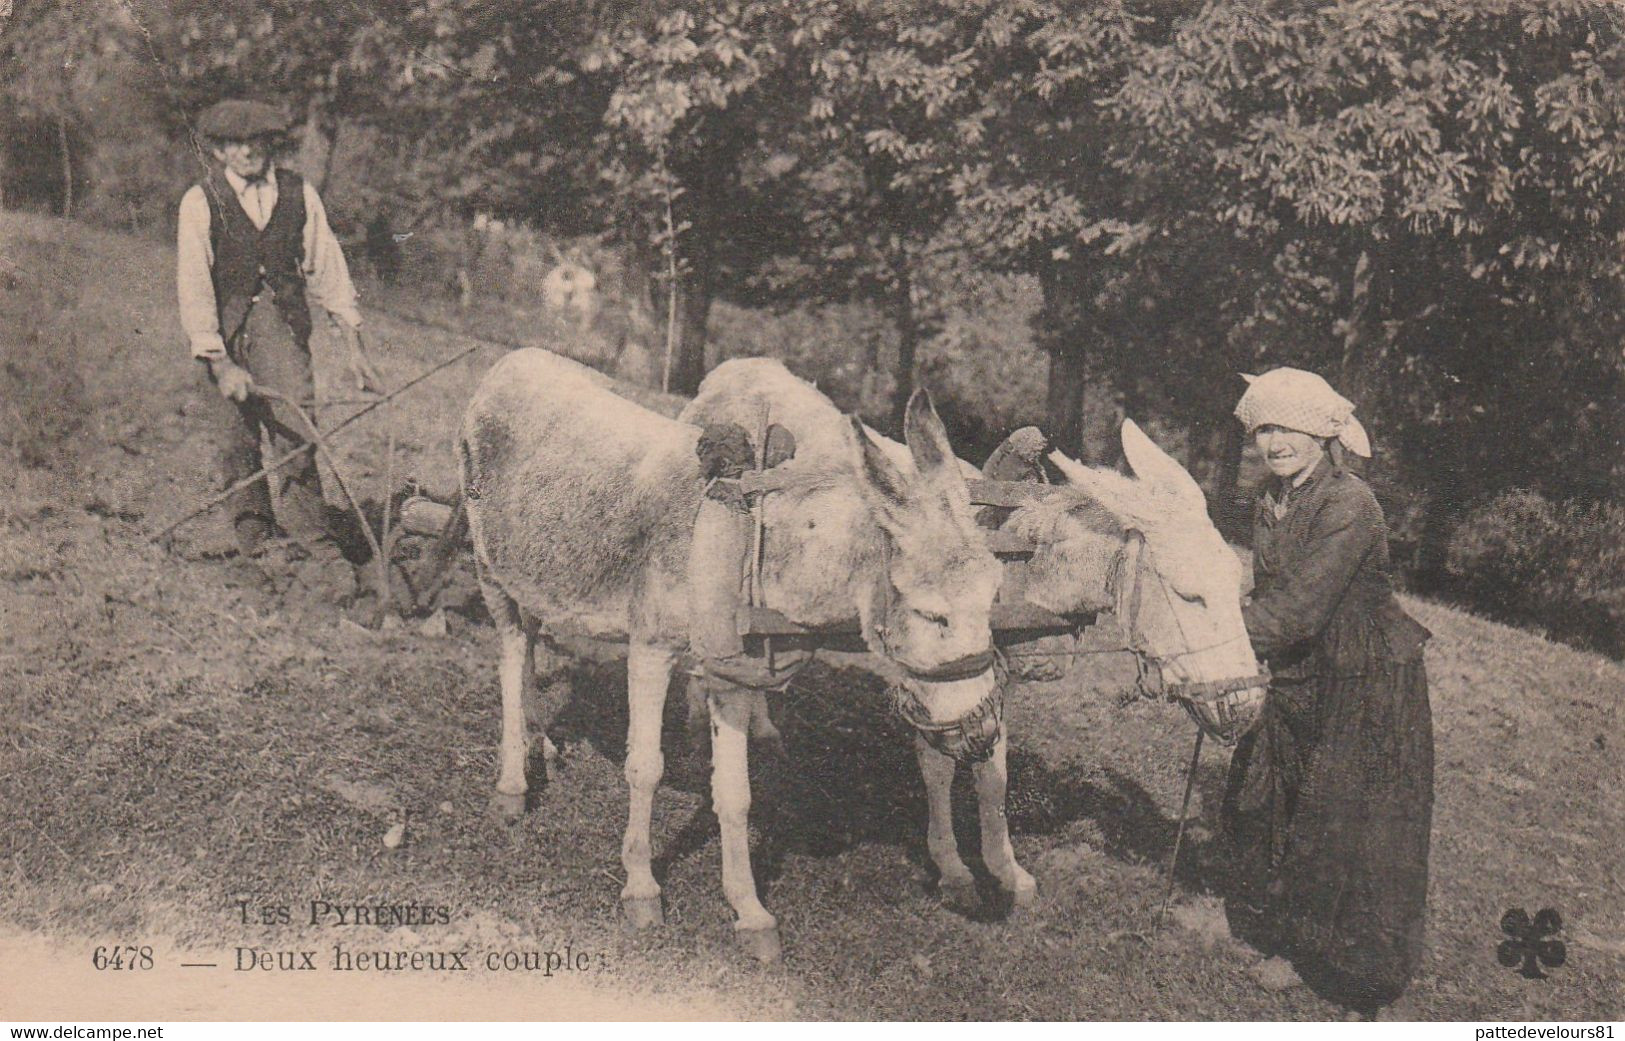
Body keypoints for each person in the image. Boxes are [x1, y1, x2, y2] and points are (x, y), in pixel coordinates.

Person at [1221, 367, 1434, 1019]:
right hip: (1297, 669)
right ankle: (1286, 939)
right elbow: (1271, 596)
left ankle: (1355, 976)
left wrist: (1209, 641)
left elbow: (1298, 611)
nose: (1274, 440)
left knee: (1346, 822)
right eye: (1264, 429)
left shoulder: (1349, 503)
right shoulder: (1269, 497)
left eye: (1287, 427)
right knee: (1270, 796)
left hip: (1362, 676)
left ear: (1320, 433)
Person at [176, 98, 383, 601]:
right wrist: (220, 361)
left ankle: (315, 541)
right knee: (235, 438)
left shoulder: (298, 193)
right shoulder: (200, 202)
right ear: (220, 151)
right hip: (224, 332)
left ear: (271, 144)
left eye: (257, 141)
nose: (247, 151)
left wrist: (353, 348)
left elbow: (329, 270)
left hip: (282, 328)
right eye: (235, 143)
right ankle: (256, 541)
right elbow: (194, 286)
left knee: (295, 427)